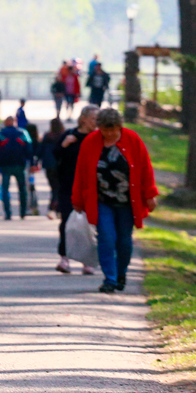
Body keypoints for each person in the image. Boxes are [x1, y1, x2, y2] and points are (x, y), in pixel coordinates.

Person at [71, 108, 160, 293]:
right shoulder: (90, 142)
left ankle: (121, 273)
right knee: (106, 238)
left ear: (120, 126)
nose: (110, 133)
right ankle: (109, 279)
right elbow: (81, 172)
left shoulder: (133, 140)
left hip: (128, 201)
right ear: (99, 128)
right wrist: (77, 199)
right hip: (102, 201)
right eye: (105, 130)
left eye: (113, 130)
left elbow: (145, 168)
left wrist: (150, 194)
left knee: (124, 241)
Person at [53, 107, 96, 274]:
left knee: (90, 224)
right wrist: (64, 145)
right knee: (67, 222)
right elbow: (55, 154)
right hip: (69, 186)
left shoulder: (98, 138)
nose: (96, 122)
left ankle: (87, 261)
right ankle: (64, 258)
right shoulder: (70, 134)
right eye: (93, 118)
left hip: (91, 187)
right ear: (84, 119)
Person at [0, 116, 34, 219]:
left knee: (5, 189)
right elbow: (29, 148)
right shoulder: (23, 132)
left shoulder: (1, 133)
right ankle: (22, 212)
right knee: (22, 189)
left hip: (5, 165)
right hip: (19, 164)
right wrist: (31, 163)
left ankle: (8, 214)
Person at [37, 117, 65, 218]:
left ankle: (53, 208)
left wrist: (37, 162)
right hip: (60, 165)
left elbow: (40, 151)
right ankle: (56, 208)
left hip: (49, 165)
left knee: (54, 187)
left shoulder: (47, 136)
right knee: (58, 187)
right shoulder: (63, 136)